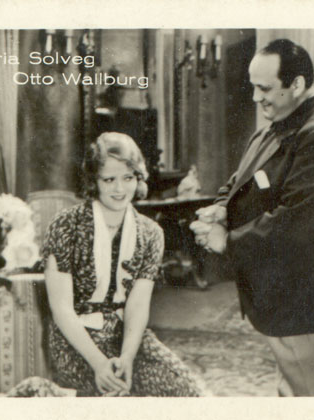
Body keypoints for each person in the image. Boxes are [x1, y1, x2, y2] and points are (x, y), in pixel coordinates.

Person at [191, 39, 314, 396]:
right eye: (253, 87)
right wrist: (223, 208)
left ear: (297, 84)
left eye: (265, 89)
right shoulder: (279, 123)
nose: (255, 97)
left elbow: (296, 223)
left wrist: (226, 240)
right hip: (302, 300)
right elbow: (241, 178)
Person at [42, 132, 206, 397]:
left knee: (189, 393)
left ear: (138, 177)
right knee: (117, 398)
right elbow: (61, 309)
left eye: (128, 178)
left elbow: (137, 305)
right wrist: (99, 364)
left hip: (127, 340)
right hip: (76, 343)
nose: (120, 189)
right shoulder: (65, 225)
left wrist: (128, 357)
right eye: (109, 180)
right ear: (94, 181)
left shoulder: (151, 233)